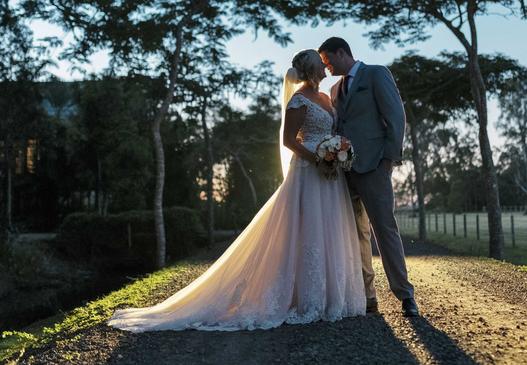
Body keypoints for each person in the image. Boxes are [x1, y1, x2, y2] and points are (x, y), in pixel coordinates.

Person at [106, 49, 365, 332]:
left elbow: (330, 130)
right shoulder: (299, 100)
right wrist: (316, 157)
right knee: (306, 229)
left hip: (329, 174)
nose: (326, 68)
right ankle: (302, 298)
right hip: (307, 171)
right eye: (321, 65)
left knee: (328, 228)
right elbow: (289, 141)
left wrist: (337, 151)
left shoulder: (326, 98)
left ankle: (331, 297)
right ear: (311, 70)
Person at [319, 37, 419, 317]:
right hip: (343, 172)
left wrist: (389, 159)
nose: (326, 68)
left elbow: (396, 116)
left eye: (328, 61)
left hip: (375, 165)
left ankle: (405, 295)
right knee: (355, 235)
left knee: (385, 229)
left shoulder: (375, 73)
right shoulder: (335, 88)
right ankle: (367, 296)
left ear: (342, 52)